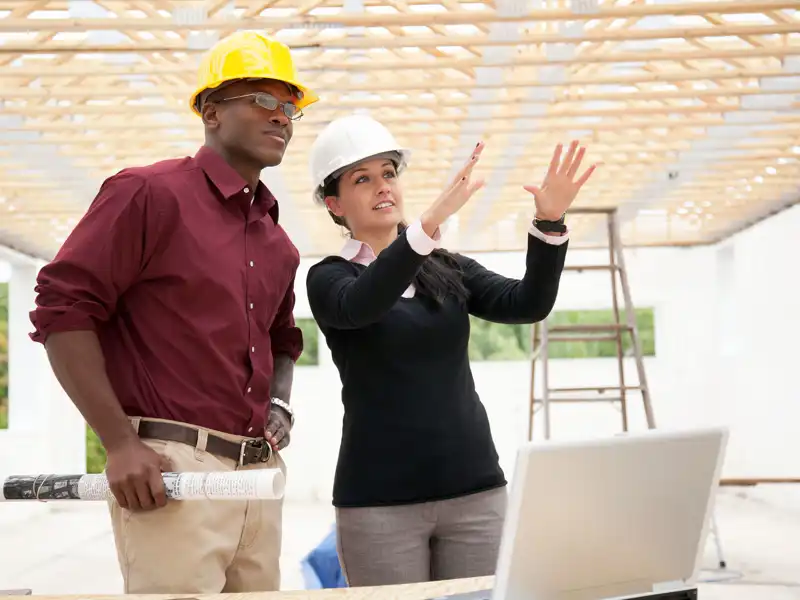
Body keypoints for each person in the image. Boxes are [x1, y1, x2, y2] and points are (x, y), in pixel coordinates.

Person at [27, 31, 317, 594]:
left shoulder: (277, 240)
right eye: (263, 99)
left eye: (289, 108)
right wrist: (118, 442)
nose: (281, 117)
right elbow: (63, 308)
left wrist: (280, 401)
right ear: (211, 111)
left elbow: (283, 337)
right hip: (172, 472)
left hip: (258, 477)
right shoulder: (148, 193)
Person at [305, 114, 598, 587]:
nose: (383, 187)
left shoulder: (446, 267)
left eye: (389, 173)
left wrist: (549, 223)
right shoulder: (330, 279)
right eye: (363, 179)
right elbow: (365, 304)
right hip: (378, 504)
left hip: (475, 493)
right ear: (335, 203)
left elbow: (527, 303)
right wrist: (428, 225)